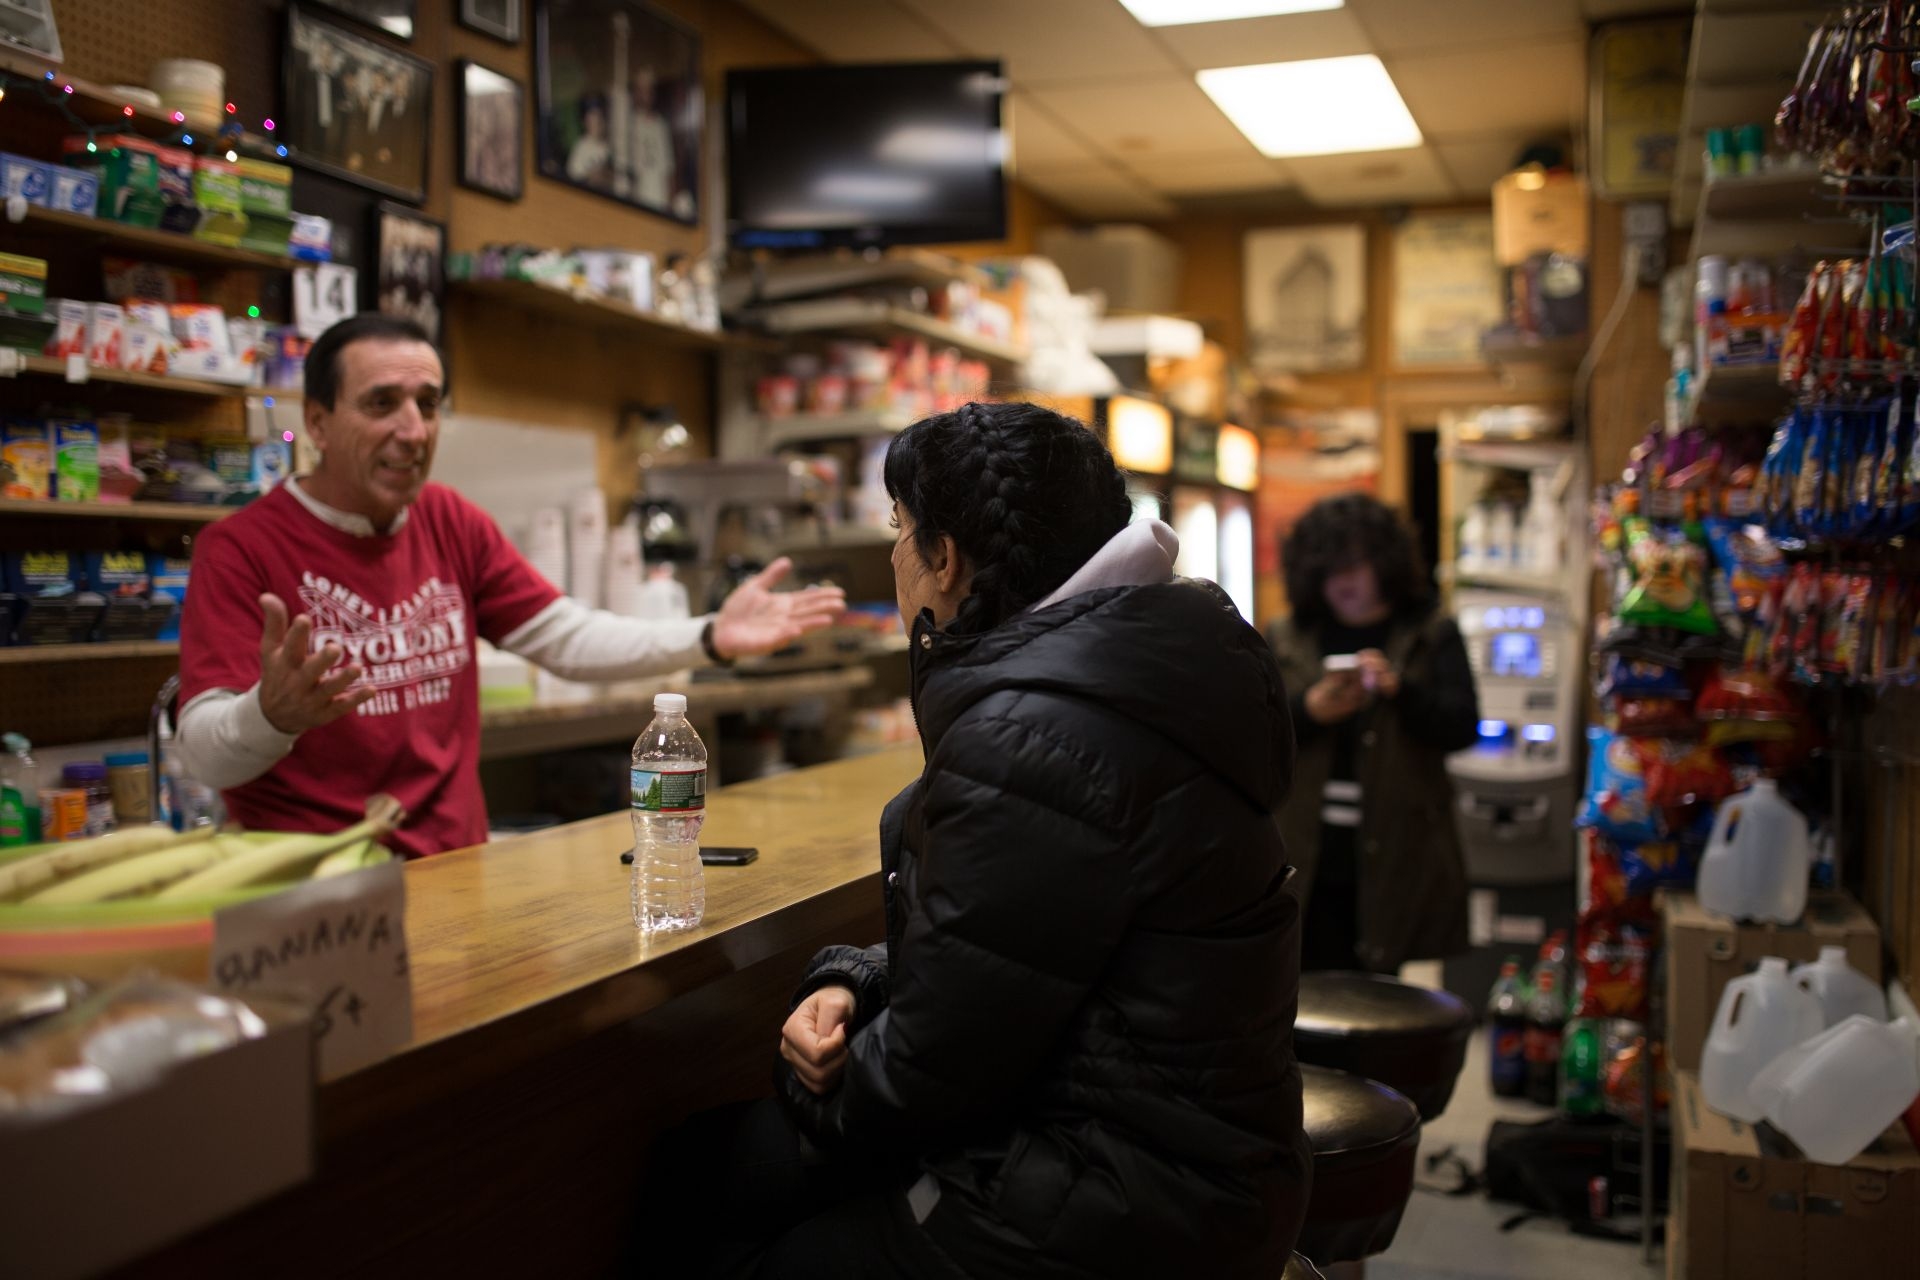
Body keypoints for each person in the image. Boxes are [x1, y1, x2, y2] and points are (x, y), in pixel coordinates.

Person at [651, 401, 1308, 1278]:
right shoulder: (1145, 661)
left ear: (946, 560)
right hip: (1190, 1160)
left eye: (900, 528)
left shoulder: (1034, 731)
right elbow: (1018, 950)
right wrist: (855, 979)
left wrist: (806, 1077)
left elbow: (923, 1084)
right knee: (718, 1169)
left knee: (699, 1182)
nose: (896, 553)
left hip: (1116, 1202)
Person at [176, 313, 844, 857]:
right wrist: (270, 716)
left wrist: (710, 635)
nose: (413, 430)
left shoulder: (448, 518)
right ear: (317, 421)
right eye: (382, 404)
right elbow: (203, 755)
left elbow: (565, 638)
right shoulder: (240, 548)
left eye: (428, 404)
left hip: (453, 866)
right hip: (315, 894)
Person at [1266, 493, 1480, 974]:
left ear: (1384, 563)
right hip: (1301, 849)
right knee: (1299, 984)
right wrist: (1309, 711)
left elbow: (1462, 726)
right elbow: (1249, 733)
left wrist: (1400, 691)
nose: (1342, 581)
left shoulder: (1432, 632)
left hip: (1398, 850)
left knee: (1378, 992)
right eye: (1327, 568)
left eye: (1354, 565)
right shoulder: (1286, 635)